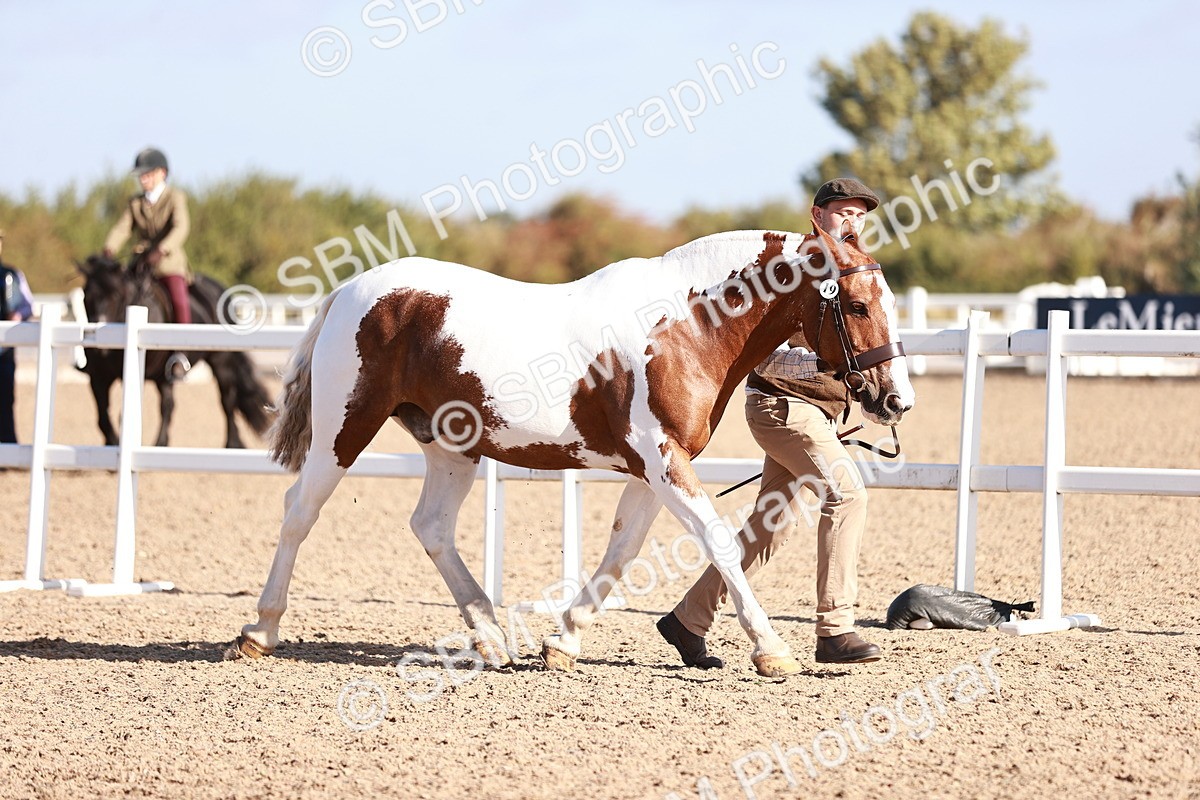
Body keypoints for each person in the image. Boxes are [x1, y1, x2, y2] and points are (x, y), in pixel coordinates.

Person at [657, 178, 885, 676]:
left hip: (815, 412)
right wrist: (837, 372)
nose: (852, 221)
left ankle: (688, 619)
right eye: (842, 212)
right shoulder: (786, 269)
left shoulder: (859, 271)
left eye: (859, 214)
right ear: (817, 215)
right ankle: (835, 629)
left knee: (769, 528)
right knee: (848, 495)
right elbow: (759, 356)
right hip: (783, 408)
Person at [104, 146, 193, 379]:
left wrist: (162, 249)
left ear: (162, 173)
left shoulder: (175, 197)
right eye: (141, 175)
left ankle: (180, 354)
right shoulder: (135, 203)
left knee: (179, 299)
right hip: (141, 263)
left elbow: (181, 227)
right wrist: (109, 248)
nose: (143, 179)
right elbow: (122, 228)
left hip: (168, 263)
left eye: (147, 174)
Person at [1, 228, 35, 444]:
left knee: (5, 397)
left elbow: (26, 305)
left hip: (4, 349)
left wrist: (17, 315)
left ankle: (7, 445)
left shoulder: (11, 275)